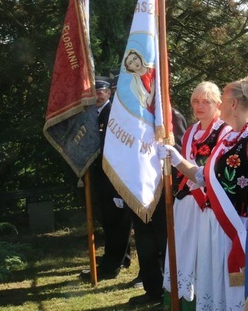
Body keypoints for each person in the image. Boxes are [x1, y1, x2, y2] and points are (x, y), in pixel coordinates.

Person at [159, 75, 248, 310]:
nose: (219, 105)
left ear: (233, 104)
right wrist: (178, 161)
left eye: (222, 100)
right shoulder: (233, 138)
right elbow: (206, 178)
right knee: (219, 292)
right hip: (216, 228)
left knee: (238, 295)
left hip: (237, 229)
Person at [161, 82, 230, 306]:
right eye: (195, 101)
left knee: (204, 256)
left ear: (218, 104)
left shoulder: (225, 130)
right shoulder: (191, 130)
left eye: (206, 101)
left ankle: (204, 301)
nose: (199, 106)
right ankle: (179, 300)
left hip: (210, 206)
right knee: (182, 251)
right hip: (186, 204)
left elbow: (217, 171)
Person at [127, 107, 186, 306]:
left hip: (164, 194)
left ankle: (170, 295)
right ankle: (152, 290)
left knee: (165, 245)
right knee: (145, 244)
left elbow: (178, 153)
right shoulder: (133, 119)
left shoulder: (171, 117)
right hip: (140, 192)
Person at [80, 77, 132, 282]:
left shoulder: (114, 114)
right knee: (111, 223)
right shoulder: (94, 114)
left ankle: (111, 267)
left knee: (116, 223)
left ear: (109, 93)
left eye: (101, 92)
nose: (98, 96)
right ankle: (121, 257)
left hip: (115, 179)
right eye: (94, 92)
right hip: (101, 178)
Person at [124, 49, 156, 113]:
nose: (135, 62)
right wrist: (152, 91)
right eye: (130, 62)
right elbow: (145, 105)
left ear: (139, 58)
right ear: (129, 68)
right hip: (152, 113)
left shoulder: (154, 70)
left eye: (135, 58)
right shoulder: (133, 84)